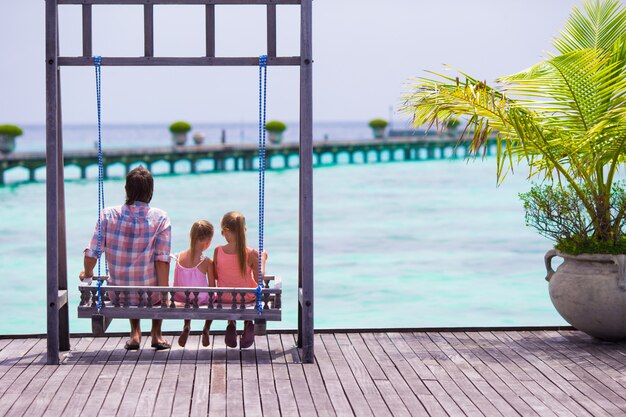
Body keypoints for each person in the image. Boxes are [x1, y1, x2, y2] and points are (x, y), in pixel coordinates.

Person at [80, 166, 172, 351]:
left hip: (119, 294)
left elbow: (92, 252)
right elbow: (162, 260)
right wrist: (164, 295)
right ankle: (156, 334)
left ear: (126, 189)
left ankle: (135, 333)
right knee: (147, 278)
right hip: (149, 295)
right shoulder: (160, 217)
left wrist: (88, 273)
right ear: (151, 191)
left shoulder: (108, 214)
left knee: (129, 275)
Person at [214, 211, 267, 349]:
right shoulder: (251, 253)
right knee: (249, 289)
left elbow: (215, 276)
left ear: (226, 232)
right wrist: (263, 259)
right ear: (244, 230)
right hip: (246, 298)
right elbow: (259, 277)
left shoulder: (217, 251)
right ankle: (248, 323)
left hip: (224, 298)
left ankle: (231, 323)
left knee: (231, 290)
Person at [173, 220, 215, 348]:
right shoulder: (207, 262)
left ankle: (186, 325)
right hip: (200, 298)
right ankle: (206, 328)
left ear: (191, 236)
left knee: (188, 297)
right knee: (213, 299)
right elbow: (212, 288)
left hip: (181, 296)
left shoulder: (179, 257)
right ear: (207, 242)